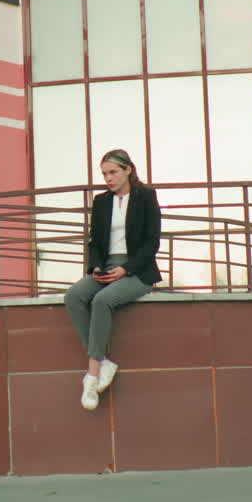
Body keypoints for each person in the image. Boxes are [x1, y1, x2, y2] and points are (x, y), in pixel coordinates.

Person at [63, 148, 162, 411]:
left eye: (113, 172)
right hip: (106, 268)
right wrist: (96, 266)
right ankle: (104, 361)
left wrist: (127, 269)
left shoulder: (146, 196)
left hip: (137, 272)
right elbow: (95, 242)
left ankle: (92, 373)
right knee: (74, 296)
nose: (108, 178)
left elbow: (152, 242)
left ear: (128, 170)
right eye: (104, 173)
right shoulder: (102, 202)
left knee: (102, 301)